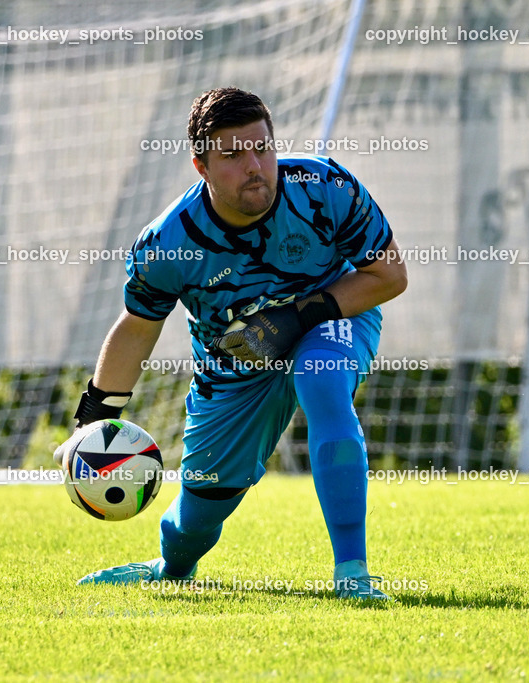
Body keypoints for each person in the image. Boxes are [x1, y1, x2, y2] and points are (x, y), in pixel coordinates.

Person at [54, 87, 407, 599]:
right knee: (194, 521)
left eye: (262, 147)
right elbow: (137, 326)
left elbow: (389, 275)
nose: (255, 166)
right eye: (232, 155)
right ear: (200, 166)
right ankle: (171, 568)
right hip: (234, 367)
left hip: (330, 317)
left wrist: (293, 317)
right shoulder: (168, 244)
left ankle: (351, 572)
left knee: (321, 378)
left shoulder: (324, 186)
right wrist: (88, 424)